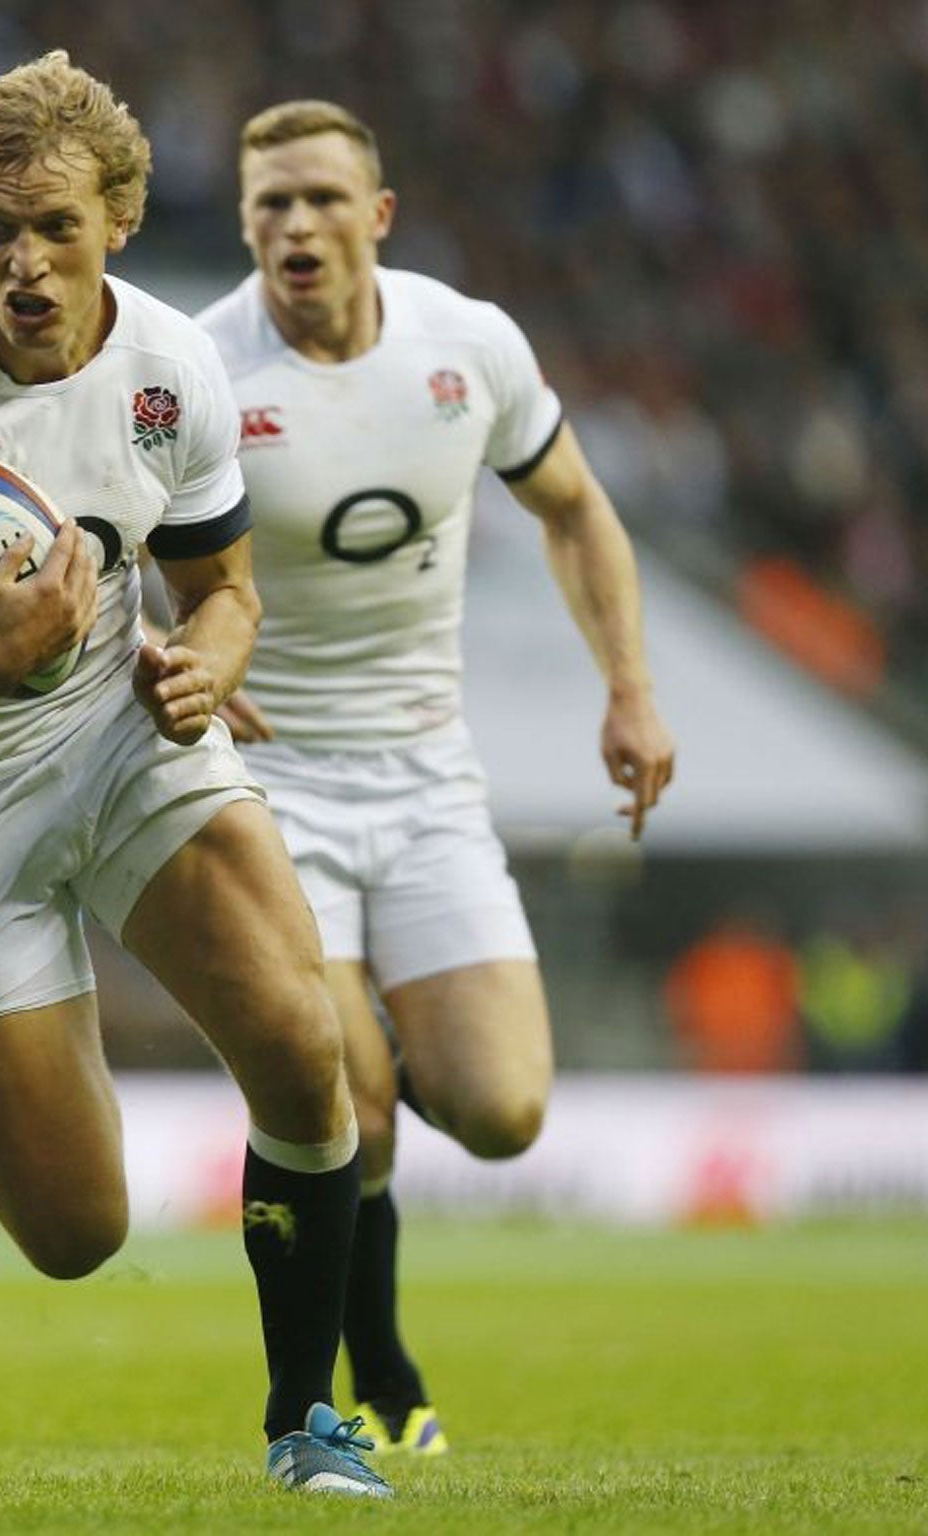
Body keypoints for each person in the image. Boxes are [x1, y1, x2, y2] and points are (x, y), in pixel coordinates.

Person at [0, 53, 389, 1499]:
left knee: (309, 1050)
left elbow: (226, 587)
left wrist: (212, 663)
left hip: (125, 734)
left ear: (118, 216)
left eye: (54, 224)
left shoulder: (172, 364)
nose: (24, 261)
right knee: (76, 1233)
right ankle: (29, 1008)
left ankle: (308, 1422)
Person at [197, 100, 678, 1454]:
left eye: (322, 200)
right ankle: (381, 1384)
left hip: (425, 780)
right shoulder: (199, 371)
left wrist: (630, 686)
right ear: (244, 224)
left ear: (379, 215)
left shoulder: (469, 345)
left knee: (506, 1107)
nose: (296, 226)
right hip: (266, 787)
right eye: (270, 205)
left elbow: (575, 504)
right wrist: (181, 649)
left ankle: (374, 1090)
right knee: (338, 1096)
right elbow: (112, 547)